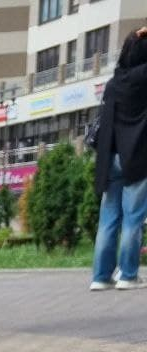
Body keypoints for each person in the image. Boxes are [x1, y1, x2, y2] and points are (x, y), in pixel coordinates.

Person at [90, 27, 147, 291]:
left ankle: (101, 277)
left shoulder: (114, 83)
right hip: (137, 157)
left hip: (110, 157)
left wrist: (135, 38)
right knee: (133, 218)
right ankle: (127, 275)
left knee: (108, 218)